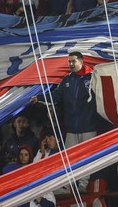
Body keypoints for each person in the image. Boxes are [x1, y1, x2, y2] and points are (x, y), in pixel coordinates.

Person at [31, 51, 100, 191]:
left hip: (89, 126)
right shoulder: (67, 80)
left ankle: (83, 185)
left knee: (86, 157)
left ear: (81, 61)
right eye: (69, 62)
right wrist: (40, 98)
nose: (70, 64)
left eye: (73, 61)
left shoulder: (93, 77)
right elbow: (56, 95)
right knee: (69, 158)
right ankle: (68, 185)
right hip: (71, 128)